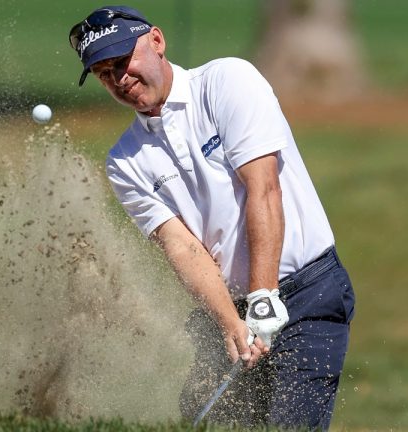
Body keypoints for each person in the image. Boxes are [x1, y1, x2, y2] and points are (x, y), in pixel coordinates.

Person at [68, 5, 356, 430]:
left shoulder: (227, 82)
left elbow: (264, 188)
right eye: (104, 72)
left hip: (308, 294)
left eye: (122, 61)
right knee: (206, 419)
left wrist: (262, 296)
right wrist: (231, 324)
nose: (119, 79)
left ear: (157, 41)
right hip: (228, 309)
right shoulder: (124, 162)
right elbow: (182, 246)